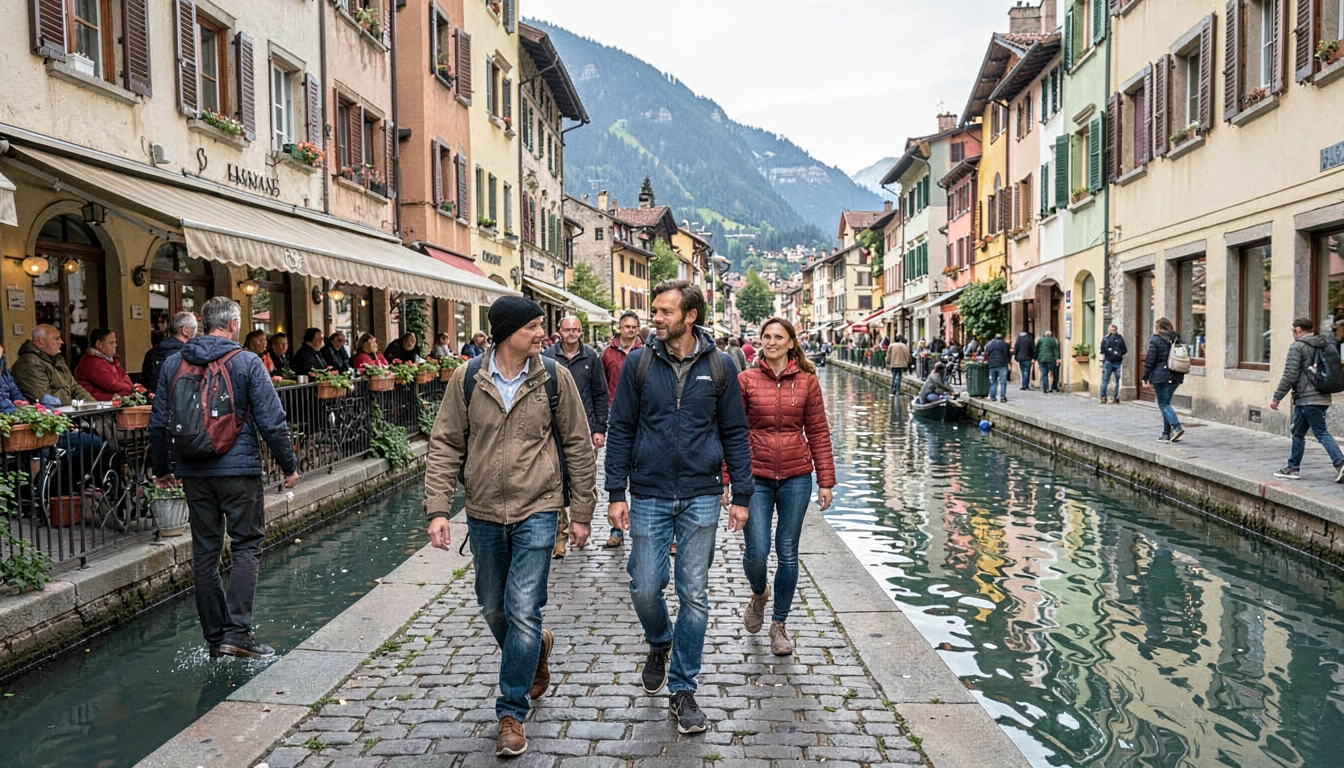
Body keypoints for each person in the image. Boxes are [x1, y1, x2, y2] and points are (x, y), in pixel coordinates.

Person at [424, 296, 597, 758]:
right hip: (482, 510)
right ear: (506, 333)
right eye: (533, 327)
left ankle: (511, 713)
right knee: (492, 607)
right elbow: (445, 444)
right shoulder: (466, 379)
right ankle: (535, 649)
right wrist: (438, 508)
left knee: (522, 609)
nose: (543, 334)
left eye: (543, 326)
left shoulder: (554, 378)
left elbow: (578, 444)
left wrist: (582, 511)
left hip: (538, 506)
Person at [605, 279, 753, 734]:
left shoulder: (720, 365)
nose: (656, 318)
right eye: (655, 310)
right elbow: (621, 427)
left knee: (694, 594)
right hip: (648, 491)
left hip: (701, 493)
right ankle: (659, 639)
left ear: (690, 316)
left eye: (665, 311)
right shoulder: (639, 363)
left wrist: (742, 495)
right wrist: (615, 492)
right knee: (644, 586)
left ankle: (683, 689)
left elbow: (735, 432)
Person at [149, 297, 299, 659]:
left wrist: (162, 468)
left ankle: (216, 638)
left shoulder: (173, 363)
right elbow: (272, 421)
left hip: (193, 470)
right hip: (238, 469)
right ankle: (237, 634)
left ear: (203, 324)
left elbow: (158, 421)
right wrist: (289, 465)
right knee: (247, 544)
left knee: (205, 551)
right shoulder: (246, 362)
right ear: (232, 325)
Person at [738, 317, 835, 656]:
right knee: (756, 550)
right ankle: (759, 592)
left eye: (779, 337)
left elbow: (818, 431)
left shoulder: (807, 382)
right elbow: (733, 432)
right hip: (756, 475)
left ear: (791, 342)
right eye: (766, 336)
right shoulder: (746, 380)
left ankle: (779, 624)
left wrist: (825, 481)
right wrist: (727, 479)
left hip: (796, 477)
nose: (771, 341)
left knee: (788, 551)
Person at [542, 315, 609, 558]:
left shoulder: (590, 356)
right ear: (560, 331)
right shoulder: (547, 357)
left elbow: (600, 393)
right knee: (555, 480)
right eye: (568, 329)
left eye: (577, 330)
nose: (573, 333)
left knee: (584, 478)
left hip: (585, 427)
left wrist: (599, 428)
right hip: (554, 429)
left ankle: (580, 521)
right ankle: (559, 535)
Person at [1271, 318, 1344, 481]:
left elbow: (1290, 375)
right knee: (1297, 432)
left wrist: (1277, 398)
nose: (1293, 334)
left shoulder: (1297, 347)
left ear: (1298, 330)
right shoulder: (1324, 344)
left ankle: (1340, 462)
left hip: (1307, 398)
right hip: (1322, 396)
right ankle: (1293, 468)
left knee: (1320, 431)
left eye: (1293, 331)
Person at [597, 311, 643, 549]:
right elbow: (601, 384)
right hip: (616, 415)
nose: (630, 330)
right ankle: (617, 529)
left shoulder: (646, 352)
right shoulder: (608, 353)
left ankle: (642, 525)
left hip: (642, 417)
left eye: (634, 326)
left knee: (642, 470)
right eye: (627, 326)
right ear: (620, 328)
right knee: (616, 468)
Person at [12, 325, 96, 405]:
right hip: (54, 412)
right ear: (41, 341)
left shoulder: (56, 359)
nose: (61, 342)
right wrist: (75, 407)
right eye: (56, 338)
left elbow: (73, 386)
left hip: (69, 409)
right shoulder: (29, 363)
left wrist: (93, 405)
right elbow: (45, 399)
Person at [1141, 317, 1186, 443]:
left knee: (1163, 404)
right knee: (1166, 404)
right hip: (1176, 375)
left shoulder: (1155, 339)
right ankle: (1166, 434)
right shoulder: (1176, 338)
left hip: (1161, 377)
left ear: (1157, 328)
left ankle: (1177, 427)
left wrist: (1145, 377)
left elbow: (1150, 360)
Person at [74, 329, 143, 401]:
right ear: (99, 344)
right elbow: (112, 385)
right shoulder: (91, 363)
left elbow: (125, 378)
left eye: (115, 342)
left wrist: (130, 389)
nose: (115, 345)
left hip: (112, 400)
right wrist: (131, 389)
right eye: (111, 343)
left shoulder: (112, 360)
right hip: (97, 403)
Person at [141, 312, 198, 388]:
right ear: (185, 330)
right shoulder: (187, 356)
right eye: (194, 329)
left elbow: (145, 383)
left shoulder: (151, 353)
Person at [1099, 324, 1127, 404]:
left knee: (1115, 381)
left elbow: (1124, 349)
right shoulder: (1107, 338)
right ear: (1110, 330)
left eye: (1114, 329)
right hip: (1110, 362)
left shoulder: (1118, 338)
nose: (1113, 331)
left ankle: (1114, 398)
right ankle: (1105, 398)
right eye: (1112, 329)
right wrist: (1111, 353)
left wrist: (1117, 353)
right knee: (1107, 381)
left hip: (1116, 362)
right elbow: (1102, 349)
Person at [985, 333, 1011, 403]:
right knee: (1003, 382)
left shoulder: (990, 343)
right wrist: (1008, 361)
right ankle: (1002, 397)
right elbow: (1008, 354)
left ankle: (993, 397)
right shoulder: (1004, 344)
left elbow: (987, 353)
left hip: (992, 364)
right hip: (1002, 364)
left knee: (993, 382)